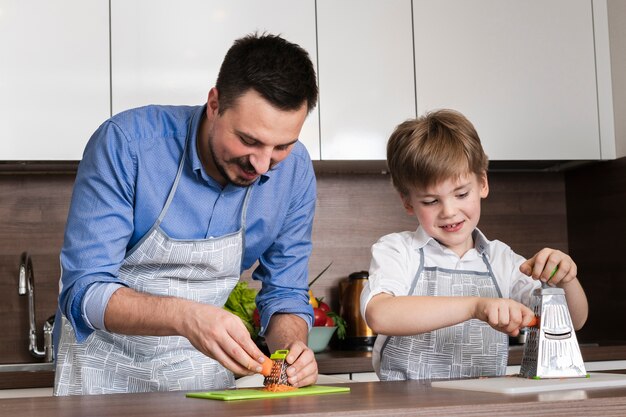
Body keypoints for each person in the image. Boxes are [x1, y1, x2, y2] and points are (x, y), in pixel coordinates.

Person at [53, 33, 319, 395]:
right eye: (249, 140)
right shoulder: (126, 145)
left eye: (281, 146)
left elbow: (285, 293)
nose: (261, 165)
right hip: (101, 376)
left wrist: (292, 352)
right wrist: (186, 315)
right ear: (214, 104)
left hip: (201, 381)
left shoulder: (295, 172)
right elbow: (84, 292)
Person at [360, 109, 588, 381]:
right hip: (407, 407)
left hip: (484, 405)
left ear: (482, 183)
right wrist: (475, 307)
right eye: (431, 201)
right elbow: (380, 314)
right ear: (408, 202)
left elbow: (572, 322)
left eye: (461, 194)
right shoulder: (398, 251)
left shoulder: (501, 259)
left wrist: (567, 280)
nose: (449, 211)